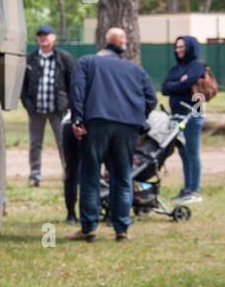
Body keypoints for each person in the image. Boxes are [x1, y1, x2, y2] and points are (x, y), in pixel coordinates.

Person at [69, 27, 156, 242]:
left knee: (90, 176)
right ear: (121, 46)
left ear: (104, 43)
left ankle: (89, 228)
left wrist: (77, 119)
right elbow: (151, 98)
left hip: (97, 123)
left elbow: (77, 90)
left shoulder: (87, 62)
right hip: (127, 127)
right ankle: (122, 229)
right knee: (122, 177)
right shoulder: (135, 69)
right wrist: (137, 116)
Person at [20, 25, 75, 188]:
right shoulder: (30, 59)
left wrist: (70, 105)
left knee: (63, 142)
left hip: (58, 110)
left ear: (54, 37)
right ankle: (35, 175)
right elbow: (23, 85)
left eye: (46, 35)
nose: (43, 39)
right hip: (36, 110)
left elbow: (72, 83)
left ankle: (68, 172)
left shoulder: (64, 58)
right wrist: (27, 104)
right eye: (40, 36)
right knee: (35, 144)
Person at [161, 35, 207, 204]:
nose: (179, 50)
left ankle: (195, 191)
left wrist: (178, 84)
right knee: (183, 153)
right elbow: (164, 88)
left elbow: (187, 85)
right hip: (177, 114)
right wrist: (178, 83)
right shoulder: (176, 68)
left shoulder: (198, 66)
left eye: (182, 47)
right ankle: (187, 188)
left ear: (190, 48)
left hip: (193, 114)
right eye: (177, 47)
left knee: (192, 152)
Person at [60, 110, 82, 224]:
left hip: (71, 121)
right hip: (91, 121)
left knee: (71, 171)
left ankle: (71, 214)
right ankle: (73, 213)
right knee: (74, 172)